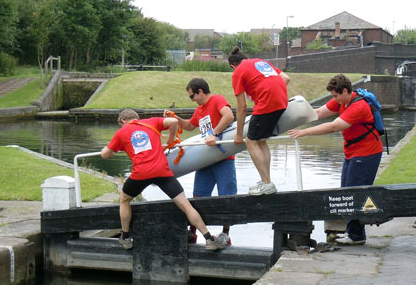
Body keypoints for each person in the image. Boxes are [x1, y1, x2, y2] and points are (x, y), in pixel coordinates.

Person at [101, 109, 227, 251]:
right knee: (186, 205)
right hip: (162, 171)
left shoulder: (122, 132)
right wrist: (170, 139)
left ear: (123, 121)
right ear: (137, 118)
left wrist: (115, 148)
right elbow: (173, 121)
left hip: (140, 173)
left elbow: (104, 154)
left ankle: (126, 237)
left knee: (124, 200)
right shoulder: (151, 122)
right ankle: (209, 239)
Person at [288, 74, 383, 245]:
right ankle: (354, 233)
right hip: (353, 152)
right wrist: (291, 119)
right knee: (345, 191)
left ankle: (356, 236)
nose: (334, 99)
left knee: (352, 193)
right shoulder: (342, 101)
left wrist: (304, 133)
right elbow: (317, 113)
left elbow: (333, 126)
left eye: (335, 96)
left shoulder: (358, 106)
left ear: (345, 91)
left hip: (367, 153)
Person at [165, 78, 236, 246]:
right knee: (198, 196)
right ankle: (193, 232)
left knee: (226, 196)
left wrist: (215, 133)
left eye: (192, 96)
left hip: (223, 158)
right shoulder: (199, 110)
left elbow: (229, 115)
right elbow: (190, 125)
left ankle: (226, 234)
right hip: (204, 160)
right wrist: (175, 118)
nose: (192, 99)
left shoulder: (217, 100)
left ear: (200, 92)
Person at [228, 46, 290, 196]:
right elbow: (286, 78)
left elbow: (242, 107)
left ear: (232, 66)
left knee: (251, 142)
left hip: (267, 103)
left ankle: (267, 183)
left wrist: (238, 135)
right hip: (282, 101)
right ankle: (266, 181)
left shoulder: (238, 71)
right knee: (260, 141)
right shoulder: (260, 62)